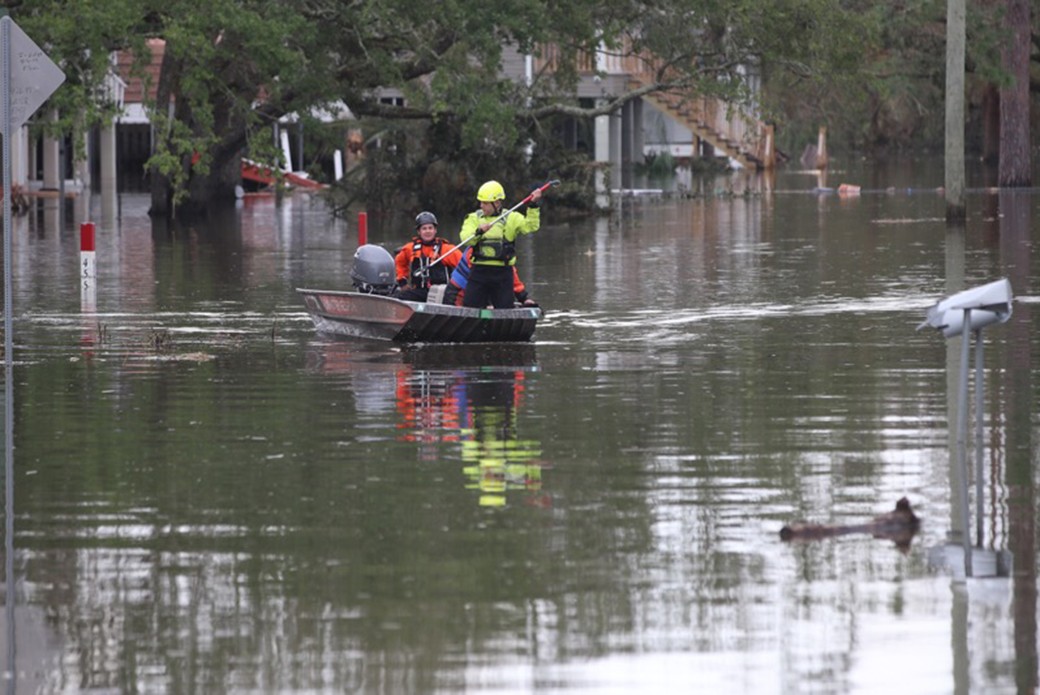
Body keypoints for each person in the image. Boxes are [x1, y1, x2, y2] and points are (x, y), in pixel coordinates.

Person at [458, 180, 540, 309]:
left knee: (505, 309)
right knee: (470, 308)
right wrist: (478, 232)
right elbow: (466, 239)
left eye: (485, 203)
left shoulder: (512, 218)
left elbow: (531, 226)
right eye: (480, 202)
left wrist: (533, 205)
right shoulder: (473, 218)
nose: (481, 206)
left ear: (496, 203)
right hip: (479, 273)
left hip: (503, 274)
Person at [394, 211, 462, 302]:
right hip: (419, 291)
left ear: (435, 230)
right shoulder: (410, 248)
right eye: (424, 228)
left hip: (441, 292)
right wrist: (402, 282)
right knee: (397, 297)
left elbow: (464, 265)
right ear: (419, 231)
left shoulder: (447, 249)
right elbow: (400, 262)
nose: (428, 231)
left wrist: (458, 286)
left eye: (430, 228)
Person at [443, 246, 537, 308]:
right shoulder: (473, 252)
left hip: (484, 289)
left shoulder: (503, 252)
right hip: (459, 291)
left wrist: (524, 298)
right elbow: (478, 279)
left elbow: (511, 276)